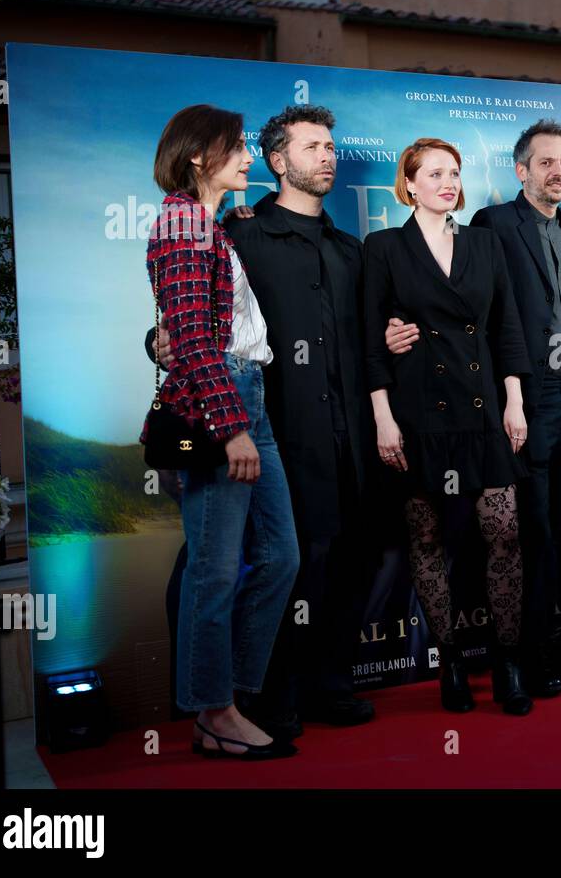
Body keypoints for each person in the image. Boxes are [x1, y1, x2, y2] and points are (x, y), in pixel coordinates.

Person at [149, 105, 381, 737]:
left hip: (319, 432)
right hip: (248, 417)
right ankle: (228, 705)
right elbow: (191, 329)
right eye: (314, 146)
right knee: (223, 565)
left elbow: (209, 321)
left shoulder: (340, 248)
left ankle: (243, 699)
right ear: (280, 160)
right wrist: (165, 349)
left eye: (333, 145)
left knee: (297, 559)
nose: (329, 155)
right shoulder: (221, 228)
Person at [388, 119, 561, 693]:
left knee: (554, 525)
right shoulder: (492, 225)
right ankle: (521, 655)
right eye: (545, 162)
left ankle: (546, 642)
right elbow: (483, 315)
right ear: (521, 170)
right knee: (522, 530)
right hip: (511, 397)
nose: (557, 172)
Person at [143, 104, 300, 758]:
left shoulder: (208, 224)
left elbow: (199, 326)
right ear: (201, 156)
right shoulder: (182, 222)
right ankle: (216, 713)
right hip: (221, 401)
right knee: (213, 570)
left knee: (279, 553)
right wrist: (232, 429)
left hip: (245, 394)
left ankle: (228, 696)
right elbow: (197, 343)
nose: (248, 156)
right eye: (236, 147)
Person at [364, 137, 535, 716]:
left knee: (504, 533)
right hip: (417, 413)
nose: (448, 182)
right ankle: (451, 664)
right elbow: (370, 343)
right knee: (428, 539)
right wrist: (383, 419)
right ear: (408, 184)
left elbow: (506, 326)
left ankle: (509, 661)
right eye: (434, 173)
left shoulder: (485, 244)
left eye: (455, 172)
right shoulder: (383, 247)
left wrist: (515, 400)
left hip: (484, 407)